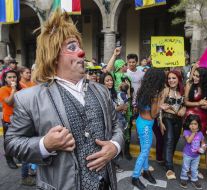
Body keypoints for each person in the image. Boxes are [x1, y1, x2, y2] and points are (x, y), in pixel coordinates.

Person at [5, 10, 123, 190]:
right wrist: (45, 144)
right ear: (54, 56)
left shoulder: (101, 91)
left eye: (80, 47)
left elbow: (117, 127)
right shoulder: (29, 98)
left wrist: (115, 146)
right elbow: (12, 143)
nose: (82, 52)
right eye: (72, 47)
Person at [132, 68, 166, 190]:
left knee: (145, 150)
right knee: (145, 151)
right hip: (146, 124)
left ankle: (146, 171)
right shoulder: (155, 95)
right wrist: (161, 104)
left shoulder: (144, 90)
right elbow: (153, 114)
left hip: (142, 122)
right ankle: (135, 177)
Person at [160, 70, 186, 180]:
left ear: (179, 79)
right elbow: (159, 106)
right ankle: (169, 167)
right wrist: (160, 122)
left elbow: (185, 104)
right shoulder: (166, 90)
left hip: (178, 120)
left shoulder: (183, 91)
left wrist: (184, 109)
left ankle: (167, 159)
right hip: (167, 118)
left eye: (174, 78)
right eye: (169, 78)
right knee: (169, 139)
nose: (171, 80)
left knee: (174, 141)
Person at [0, 70, 21, 169]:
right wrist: (13, 90)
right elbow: (9, 102)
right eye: (9, 77)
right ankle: (9, 158)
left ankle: (18, 155)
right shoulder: (3, 89)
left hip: (20, 118)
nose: (12, 79)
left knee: (20, 138)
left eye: (14, 77)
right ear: (5, 79)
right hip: (8, 120)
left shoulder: (21, 87)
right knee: (8, 141)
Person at [180, 114, 206, 190]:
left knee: (195, 168)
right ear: (188, 124)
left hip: (196, 155)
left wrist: (203, 147)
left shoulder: (200, 133)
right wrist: (194, 133)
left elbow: (203, 142)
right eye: (191, 124)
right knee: (185, 167)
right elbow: (189, 141)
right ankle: (184, 178)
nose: (193, 126)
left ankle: (194, 179)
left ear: (198, 125)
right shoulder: (186, 132)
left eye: (195, 124)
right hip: (187, 154)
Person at [184, 67, 207, 135]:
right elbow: (185, 102)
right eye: (194, 75)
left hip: (203, 116)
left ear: (203, 77)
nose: (194, 78)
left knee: (200, 139)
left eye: (197, 76)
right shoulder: (189, 84)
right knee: (190, 140)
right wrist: (198, 103)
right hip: (190, 116)